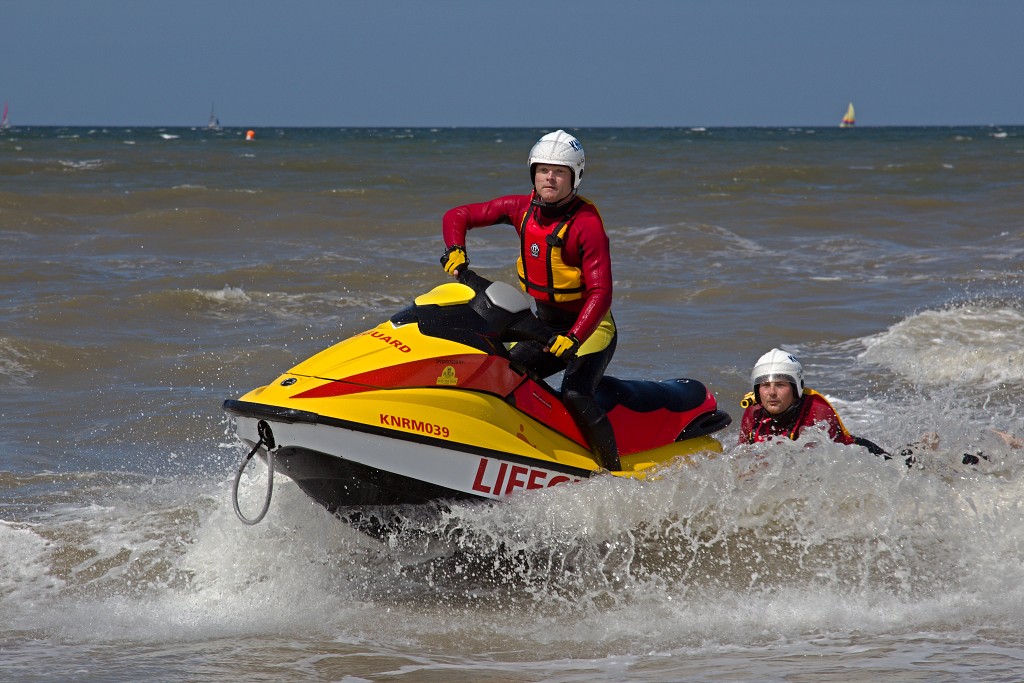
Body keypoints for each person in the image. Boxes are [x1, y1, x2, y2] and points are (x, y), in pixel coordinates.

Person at [439, 130, 620, 471]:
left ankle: (613, 472)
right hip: (545, 327)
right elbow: (457, 215)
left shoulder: (586, 225)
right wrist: (456, 250)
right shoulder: (520, 209)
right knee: (503, 372)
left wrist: (575, 336)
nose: (550, 177)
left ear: (575, 177)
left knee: (576, 394)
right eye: (543, 170)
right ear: (533, 173)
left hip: (590, 329)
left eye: (560, 171)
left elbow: (601, 292)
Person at [738, 348, 887, 455]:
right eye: (765, 385)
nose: (771, 393)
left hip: (863, 454)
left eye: (780, 385)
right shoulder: (753, 412)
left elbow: (813, 468)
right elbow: (743, 456)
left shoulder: (817, 411)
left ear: (797, 388)